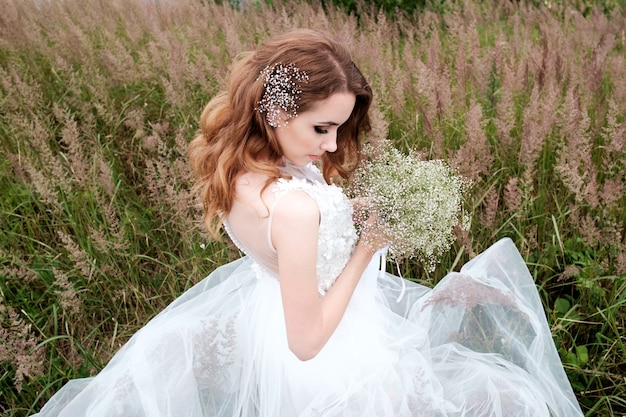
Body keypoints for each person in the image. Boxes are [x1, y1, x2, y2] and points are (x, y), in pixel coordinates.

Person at [33, 29, 583, 417]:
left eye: (340, 129)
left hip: (274, 320)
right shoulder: (293, 206)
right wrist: (367, 246)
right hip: (332, 361)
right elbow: (307, 340)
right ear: (275, 111)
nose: (333, 145)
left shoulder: (246, 170)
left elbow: (285, 261)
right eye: (322, 128)